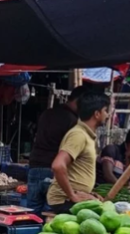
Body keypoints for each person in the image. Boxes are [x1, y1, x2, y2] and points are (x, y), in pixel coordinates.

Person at [26, 86, 91, 215]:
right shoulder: (73, 122)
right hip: (53, 172)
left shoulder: (47, 113)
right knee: (51, 216)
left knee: (32, 214)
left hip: (35, 168)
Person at [46, 92, 111, 214]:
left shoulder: (86, 135)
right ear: (97, 114)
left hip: (73, 198)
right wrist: (72, 195)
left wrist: (89, 194)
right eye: (106, 111)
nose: (108, 115)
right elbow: (58, 165)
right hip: (64, 201)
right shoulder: (78, 135)